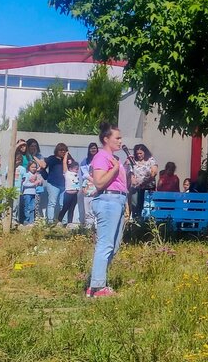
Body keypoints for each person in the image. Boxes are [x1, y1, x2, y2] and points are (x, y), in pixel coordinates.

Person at [87, 122, 129, 298]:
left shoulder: (113, 158)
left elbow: (121, 185)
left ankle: (96, 283)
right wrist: (115, 169)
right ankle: (97, 287)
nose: (120, 141)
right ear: (106, 139)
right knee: (105, 244)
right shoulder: (101, 157)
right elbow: (99, 182)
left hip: (118, 201)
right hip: (108, 201)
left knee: (114, 245)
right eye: (117, 138)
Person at [42, 143, 70, 224]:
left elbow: (73, 168)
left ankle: (64, 222)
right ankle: (50, 222)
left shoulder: (67, 159)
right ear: (57, 150)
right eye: (61, 150)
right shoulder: (51, 158)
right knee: (52, 203)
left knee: (63, 204)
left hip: (64, 185)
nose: (62, 152)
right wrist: (46, 177)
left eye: (64, 150)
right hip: (53, 184)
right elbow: (43, 167)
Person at [129, 144, 158, 220]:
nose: (139, 155)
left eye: (140, 153)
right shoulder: (133, 161)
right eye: (137, 153)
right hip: (136, 188)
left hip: (148, 188)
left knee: (147, 207)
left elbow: (154, 173)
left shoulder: (151, 160)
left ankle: (147, 222)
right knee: (135, 206)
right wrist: (132, 179)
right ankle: (136, 220)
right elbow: (131, 172)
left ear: (145, 152)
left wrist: (144, 183)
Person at [57, 157, 81, 226]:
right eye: (76, 169)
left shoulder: (76, 175)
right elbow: (64, 163)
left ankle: (70, 222)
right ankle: (59, 220)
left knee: (72, 209)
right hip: (68, 194)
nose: (77, 171)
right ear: (70, 169)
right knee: (65, 208)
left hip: (74, 195)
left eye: (78, 169)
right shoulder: (67, 173)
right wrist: (66, 154)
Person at [19, 160, 43, 225]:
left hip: (34, 193)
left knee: (32, 207)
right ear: (29, 167)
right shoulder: (27, 175)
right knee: (27, 207)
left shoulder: (37, 175)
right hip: (27, 193)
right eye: (32, 167)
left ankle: (31, 221)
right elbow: (24, 184)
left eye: (35, 167)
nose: (34, 168)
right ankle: (26, 220)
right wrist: (34, 184)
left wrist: (39, 182)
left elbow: (40, 183)